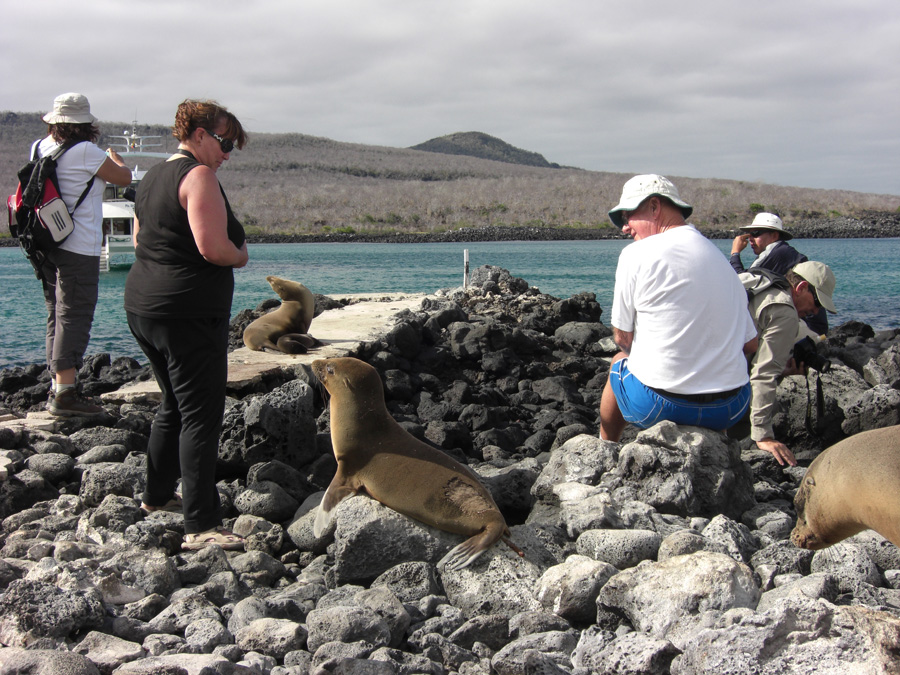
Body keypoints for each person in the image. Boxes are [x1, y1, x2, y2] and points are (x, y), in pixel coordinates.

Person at [124, 99, 249, 551]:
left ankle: (156, 498)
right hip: (187, 313)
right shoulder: (198, 176)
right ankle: (201, 525)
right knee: (201, 414)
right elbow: (213, 247)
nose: (228, 153)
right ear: (198, 134)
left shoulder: (153, 176)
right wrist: (241, 254)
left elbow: (140, 239)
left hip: (144, 307)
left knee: (173, 405)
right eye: (225, 141)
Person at [599, 174, 758, 442]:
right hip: (730, 409)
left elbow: (622, 338)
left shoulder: (635, 254)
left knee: (618, 361)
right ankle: (714, 448)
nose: (625, 228)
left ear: (654, 206)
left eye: (627, 217)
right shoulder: (721, 262)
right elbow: (750, 345)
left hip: (659, 407)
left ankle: (606, 448)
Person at [34, 93, 133, 416]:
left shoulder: (39, 147)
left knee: (56, 311)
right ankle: (65, 393)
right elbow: (124, 178)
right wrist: (116, 160)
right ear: (86, 124)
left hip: (46, 243)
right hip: (78, 245)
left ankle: (57, 384)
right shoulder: (87, 152)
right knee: (75, 313)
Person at [739, 261, 837, 466]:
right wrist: (763, 436)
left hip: (676, 371)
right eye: (817, 303)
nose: (816, 312)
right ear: (801, 288)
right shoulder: (785, 311)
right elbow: (763, 374)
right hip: (706, 393)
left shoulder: (761, 282)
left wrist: (782, 371)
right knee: (762, 407)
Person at [730, 212, 828, 335]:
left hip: (810, 329)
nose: (750, 238)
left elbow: (741, 283)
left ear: (774, 236)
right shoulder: (784, 252)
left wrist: (735, 254)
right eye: (749, 234)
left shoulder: (779, 253)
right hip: (811, 327)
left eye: (756, 233)